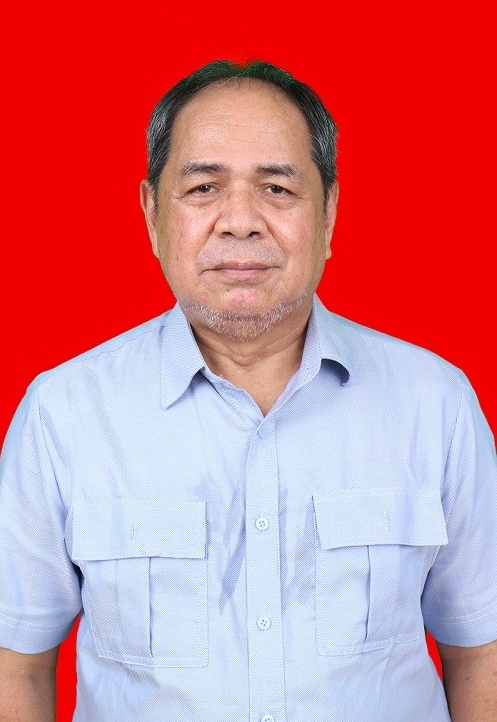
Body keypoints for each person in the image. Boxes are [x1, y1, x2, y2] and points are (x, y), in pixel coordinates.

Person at [0, 60, 496, 722]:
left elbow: (480, 653)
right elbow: (16, 667)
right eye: (203, 187)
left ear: (329, 213)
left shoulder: (435, 405)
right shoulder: (63, 414)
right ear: (152, 214)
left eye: (277, 188)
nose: (240, 221)